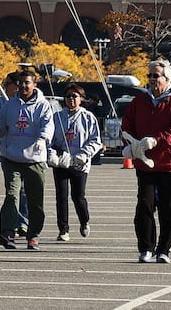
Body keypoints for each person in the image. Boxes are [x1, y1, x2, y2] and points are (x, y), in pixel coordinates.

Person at [121, 59, 171, 264]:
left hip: (169, 164)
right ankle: (146, 248)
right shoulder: (139, 101)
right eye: (149, 75)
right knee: (144, 206)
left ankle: (164, 249)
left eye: (155, 75)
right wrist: (130, 143)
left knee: (169, 208)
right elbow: (127, 124)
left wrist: (156, 140)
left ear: (166, 78)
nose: (151, 79)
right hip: (145, 164)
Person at [0, 69, 54, 251]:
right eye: (21, 83)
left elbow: (48, 125)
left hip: (35, 159)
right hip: (12, 158)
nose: (23, 87)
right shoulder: (9, 105)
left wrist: (42, 139)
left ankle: (33, 235)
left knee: (35, 200)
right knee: (12, 195)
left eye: (27, 83)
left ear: (34, 84)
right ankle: (7, 232)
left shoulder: (43, 105)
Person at [50, 83, 103, 242]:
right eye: (68, 96)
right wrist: (52, 154)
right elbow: (49, 139)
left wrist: (84, 154)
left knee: (78, 196)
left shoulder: (88, 117)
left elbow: (95, 140)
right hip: (62, 162)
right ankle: (63, 229)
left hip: (80, 162)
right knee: (61, 196)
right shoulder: (57, 117)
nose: (71, 99)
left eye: (75, 96)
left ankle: (84, 220)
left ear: (81, 99)